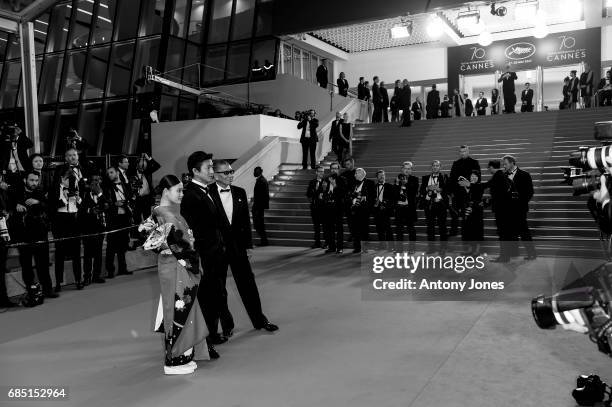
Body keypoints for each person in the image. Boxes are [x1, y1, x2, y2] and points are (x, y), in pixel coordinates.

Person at [147, 175, 211, 375]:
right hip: (175, 266)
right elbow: (176, 244)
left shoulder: (165, 213)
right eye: (178, 190)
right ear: (166, 191)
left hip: (176, 265)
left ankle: (183, 355)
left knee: (183, 309)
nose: (182, 194)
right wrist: (191, 258)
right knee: (178, 310)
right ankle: (174, 360)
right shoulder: (165, 214)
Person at [208, 161, 278, 336]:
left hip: (238, 247)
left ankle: (259, 320)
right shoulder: (207, 193)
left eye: (231, 171)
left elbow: (246, 222)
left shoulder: (240, 192)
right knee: (219, 288)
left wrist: (248, 245)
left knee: (248, 285)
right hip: (217, 249)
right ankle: (226, 325)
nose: (231, 175)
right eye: (226, 173)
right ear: (215, 175)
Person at [180, 151, 229, 346]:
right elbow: (189, 230)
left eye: (212, 167)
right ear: (194, 171)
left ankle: (212, 333)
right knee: (206, 299)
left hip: (216, 253)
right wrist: (196, 258)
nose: (212, 171)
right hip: (204, 257)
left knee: (216, 295)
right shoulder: (190, 195)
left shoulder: (207, 190)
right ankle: (205, 342)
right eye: (208, 167)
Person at [12, 171, 56, 298]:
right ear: (25, 180)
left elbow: (49, 207)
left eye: (36, 181)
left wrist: (38, 202)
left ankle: (48, 289)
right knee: (26, 265)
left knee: (43, 263)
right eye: (31, 180)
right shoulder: (16, 193)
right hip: (24, 235)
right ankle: (31, 291)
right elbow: (9, 206)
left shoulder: (40, 192)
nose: (34, 183)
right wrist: (16, 206)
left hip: (40, 233)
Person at [51, 167, 83, 291]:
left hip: (74, 220)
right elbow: (52, 206)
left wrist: (78, 198)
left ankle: (78, 280)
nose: (70, 181)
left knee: (76, 252)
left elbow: (81, 205)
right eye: (67, 179)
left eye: (72, 179)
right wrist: (64, 198)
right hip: (60, 221)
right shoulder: (54, 189)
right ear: (61, 179)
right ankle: (58, 282)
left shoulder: (76, 189)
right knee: (60, 253)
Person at [502, 155, 537, 260]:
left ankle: (532, 253)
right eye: (503, 164)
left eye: (505, 164)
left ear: (512, 163)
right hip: (508, 209)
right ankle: (513, 253)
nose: (504, 166)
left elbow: (530, 192)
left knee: (523, 231)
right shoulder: (503, 176)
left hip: (520, 208)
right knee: (511, 232)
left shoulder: (525, 175)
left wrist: (521, 202)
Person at [103, 166, 133, 278]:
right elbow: (104, 203)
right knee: (111, 245)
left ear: (117, 173)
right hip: (113, 218)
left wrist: (127, 204)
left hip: (124, 217)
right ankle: (110, 271)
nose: (109, 175)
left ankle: (122, 268)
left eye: (111, 172)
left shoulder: (126, 185)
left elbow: (130, 199)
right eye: (108, 173)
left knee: (123, 244)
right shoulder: (106, 187)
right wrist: (114, 204)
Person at [79, 173, 108, 285]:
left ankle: (96, 275)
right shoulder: (84, 194)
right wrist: (90, 211)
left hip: (100, 227)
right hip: (88, 228)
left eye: (98, 180)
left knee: (98, 253)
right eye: (93, 181)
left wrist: (100, 193)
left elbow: (106, 205)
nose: (96, 183)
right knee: (87, 253)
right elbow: (80, 210)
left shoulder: (103, 193)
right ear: (89, 184)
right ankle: (86, 277)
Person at [482, 160, 511, 262]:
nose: (488, 170)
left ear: (491, 167)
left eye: (488, 168)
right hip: (503, 209)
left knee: (503, 234)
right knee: (503, 233)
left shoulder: (498, 176)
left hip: (501, 210)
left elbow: (488, 186)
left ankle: (504, 257)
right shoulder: (500, 176)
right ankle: (505, 256)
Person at [449, 145, 481, 237]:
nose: (462, 153)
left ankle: (466, 233)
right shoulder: (456, 163)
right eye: (461, 152)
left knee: (466, 216)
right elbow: (451, 178)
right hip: (457, 193)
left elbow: (477, 178)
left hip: (469, 194)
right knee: (454, 214)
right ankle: (453, 232)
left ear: (468, 152)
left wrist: (470, 187)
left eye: (464, 151)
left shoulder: (474, 162)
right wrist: (453, 192)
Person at [420, 160, 449, 255]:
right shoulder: (425, 178)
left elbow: (448, 190)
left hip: (440, 205)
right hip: (429, 205)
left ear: (440, 167)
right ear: (431, 167)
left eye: (437, 166)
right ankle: (431, 248)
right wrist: (427, 189)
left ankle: (443, 249)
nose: (435, 167)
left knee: (442, 227)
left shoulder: (444, 177)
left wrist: (439, 189)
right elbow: (421, 191)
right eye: (433, 165)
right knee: (430, 227)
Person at [130, 153, 161, 226]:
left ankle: (148, 233)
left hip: (147, 199)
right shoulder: (131, 174)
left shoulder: (147, 172)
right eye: (141, 166)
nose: (142, 168)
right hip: (137, 199)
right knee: (137, 217)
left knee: (148, 218)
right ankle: (137, 234)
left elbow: (157, 166)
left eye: (144, 166)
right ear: (137, 165)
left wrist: (148, 158)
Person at [394, 162, 419, 252]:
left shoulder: (414, 179)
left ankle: (412, 249)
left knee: (411, 229)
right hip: (399, 208)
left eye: (409, 169)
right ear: (402, 169)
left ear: (411, 170)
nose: (407, 170)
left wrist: (406, 183)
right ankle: (399, 249)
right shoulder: (397, 179)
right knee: (399, 229)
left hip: (409, 208)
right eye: (405, 168)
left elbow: (413, 192)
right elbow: (395, 194)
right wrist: (397, 184)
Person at [349, 168, 374, 253]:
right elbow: (350, 194)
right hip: (354, 210)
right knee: (355, 229)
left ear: (362, 174)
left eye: (356, 173)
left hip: (364, 210)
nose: (354, 175)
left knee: (364, 229)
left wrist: (366, 199)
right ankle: (357, 247)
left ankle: (365, 247)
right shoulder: (353, 183)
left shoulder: (370, 183)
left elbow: (372, 197)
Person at [459, 170, 484, 255]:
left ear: (478, 178)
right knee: (468, 230)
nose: (473, 177)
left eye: (475, 176)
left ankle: (477, 250)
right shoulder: (466, 186)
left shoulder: (479, 186)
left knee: (476, 230)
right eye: (472, 176)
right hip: (467, 210)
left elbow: (477, 199)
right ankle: (470, 249)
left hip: (476, 211)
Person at [322, 171, 344, 254]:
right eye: (329, 178)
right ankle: (331, 247)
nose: (329, 180)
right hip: (328, 209)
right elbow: (324, 194)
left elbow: (342, 194)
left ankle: (340, 248)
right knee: (329, 229)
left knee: (339, 229)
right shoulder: (326, 183)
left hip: (338, 209)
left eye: (331, 178)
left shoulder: (340, 181)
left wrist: (335, 186)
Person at [0, 187, 15, 307]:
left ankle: (4, 299)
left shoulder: (3, 193)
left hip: (3, 235)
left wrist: (7, 213)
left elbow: (10, 208)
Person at [373, 170, 394, 248]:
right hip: (377, 210)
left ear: (385, 176)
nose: (382, 177)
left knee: (388, 229)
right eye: (380, 175)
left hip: (386, 211)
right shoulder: (374, 187)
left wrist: (386, 206)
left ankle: (391, 246)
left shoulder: (390, 186)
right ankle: (382, 246)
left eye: (383, 175)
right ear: (377, 177)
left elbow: (392, 199)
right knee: (379, 229)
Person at [307, 166, 326, 249]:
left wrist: (315, 192)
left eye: (323, 171)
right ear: (316, 172)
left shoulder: (326, 182)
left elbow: (325, 194)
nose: (322, 173)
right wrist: (316, 193)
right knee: (316, 226)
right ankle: (317, 243)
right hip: (314, 207)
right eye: (320, 171)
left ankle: (326, 243)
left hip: (323, 207)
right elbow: (308, 194)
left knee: (325, 226)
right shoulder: (312, 182)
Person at [252, 166, 269, 246]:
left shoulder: (261, 181)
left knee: (259, 224)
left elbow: (263, 195)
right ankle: (264, 241)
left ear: (259, 172)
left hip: (259, 207)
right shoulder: (261, 180)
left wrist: (257, 206)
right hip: (259, 206)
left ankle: (264, 241)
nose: (254, 173)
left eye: (255, 171)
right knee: (259, 224)